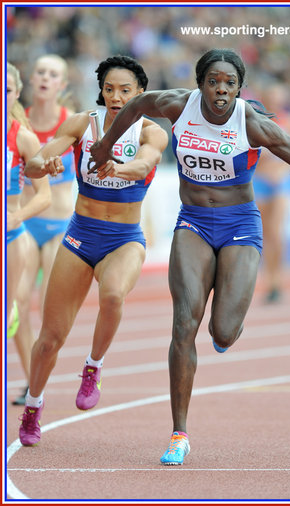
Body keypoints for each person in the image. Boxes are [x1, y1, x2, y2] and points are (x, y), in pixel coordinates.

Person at [89, 48, 290, 466]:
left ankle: (229, 309)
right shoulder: (176, 106)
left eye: (229, 83)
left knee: (221, 333)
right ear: (200, 83)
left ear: (239, 88)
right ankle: (179, 433)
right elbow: (134, 106)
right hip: (194, 223)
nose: (221, 90)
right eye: (213, 81)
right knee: (184, 323)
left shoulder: (252, 124)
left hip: (240, 225)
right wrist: (104, 146)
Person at [17, 55, 168, 446]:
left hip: (124, 238)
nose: (116, 97)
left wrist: (119, 167)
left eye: (126, 90)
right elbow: (33, 163)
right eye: (110, 89)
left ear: (140, 94)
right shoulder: (83, 124)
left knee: (114, 294)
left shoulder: (152, 132)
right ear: (101, 91)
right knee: (50, 339)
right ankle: (33, 405)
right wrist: (44, 164)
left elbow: (145, 165)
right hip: (80, 236)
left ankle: (93, 366)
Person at [12, 54, 76, 406]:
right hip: (23, 222)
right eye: (40, 71)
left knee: (49, 310)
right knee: (17, 304)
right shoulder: (15, 120)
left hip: (58, 225)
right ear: (30, 80)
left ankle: (41, 369)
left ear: (62, 85)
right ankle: (29, 379)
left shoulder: (71, 122)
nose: (45, 78)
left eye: (53, 74)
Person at [6, 62, 51, 340]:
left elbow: (44, 195)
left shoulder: (24, 139)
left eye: (7, 90)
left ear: (17, 93)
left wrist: (16, 217)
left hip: (9, 237)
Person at [253, 83, 290, 303]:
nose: (275, 101)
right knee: (264, 233)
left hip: (281, 180)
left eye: (279, 97)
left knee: (276, 230)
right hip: (260, 180)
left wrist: (282, 171)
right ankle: (269, 280)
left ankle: (277, 280)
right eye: (272, 96)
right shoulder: (255, 120)